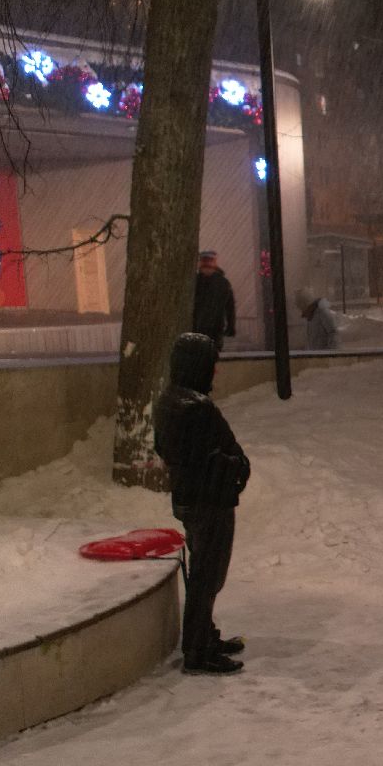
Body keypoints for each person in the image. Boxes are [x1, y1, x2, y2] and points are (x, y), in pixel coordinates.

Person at [152, 333, 250, 676]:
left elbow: (168, 452)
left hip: (190, 500)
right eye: (212, 364)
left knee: (202, 572)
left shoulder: (167, 401)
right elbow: (219, 454)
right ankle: (198, 650)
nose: (216, 372)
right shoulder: (198, 408)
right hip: (210, 502)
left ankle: (204, 637)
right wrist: (237, 467)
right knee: (208, 576)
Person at [192, 250, 236, 352]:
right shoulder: (223, 283)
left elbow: (230, 307)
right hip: (204, 328)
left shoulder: (196, 282)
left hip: (210, 328)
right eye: (205, 261)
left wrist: (231, 326)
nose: (207, 264)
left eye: (209, 261)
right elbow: (230, 307)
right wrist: (230, 327)